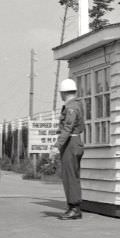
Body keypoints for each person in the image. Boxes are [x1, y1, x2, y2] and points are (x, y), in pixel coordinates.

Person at [51, 78, 85, 220]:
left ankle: (74, 208)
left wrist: (57, 146)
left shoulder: (71, 107)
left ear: (63, 93)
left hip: (71, 142)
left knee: (70, 176)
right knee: (72, 175)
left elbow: (67, 127)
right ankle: (74, 207)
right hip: (74, 140)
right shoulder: (76, 105)